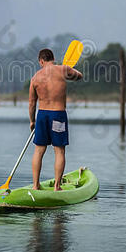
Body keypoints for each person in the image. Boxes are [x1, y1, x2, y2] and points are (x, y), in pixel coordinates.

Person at [28, 48, 82, 191]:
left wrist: (32, 121)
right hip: (58, 114)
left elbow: (32, 103)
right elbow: (79, 76)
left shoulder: (35, 78)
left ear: (41, 61)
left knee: (39, 150)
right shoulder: (63, 69)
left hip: (42, 115)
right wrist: (72, 72)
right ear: (53, 58)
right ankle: (57, 187)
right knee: (59, 151)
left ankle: (35, 185)